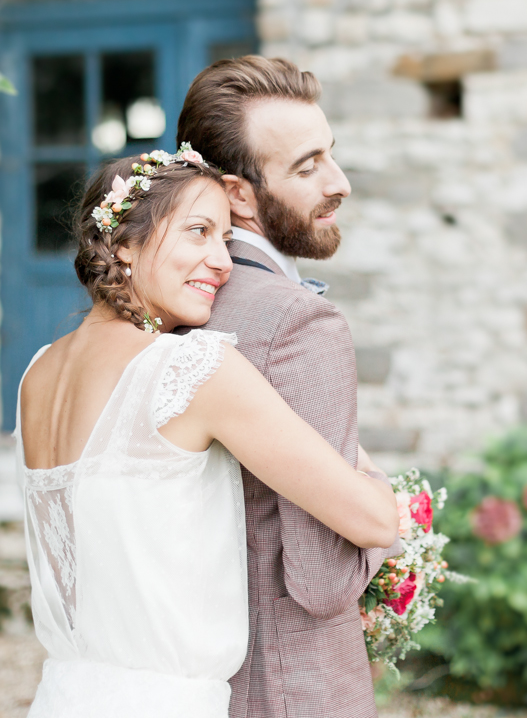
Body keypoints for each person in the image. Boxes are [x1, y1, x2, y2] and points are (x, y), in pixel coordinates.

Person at [14, 151, 399, 718]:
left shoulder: (37, 373)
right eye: (198, 232)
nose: (221, 262)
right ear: (122, 242)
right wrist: (371, 471)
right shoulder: (194, 369)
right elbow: (373, 520)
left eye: (225, 238)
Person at [175, 56, 398, 718]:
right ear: (239, 193)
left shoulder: (175, 304)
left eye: (331, 156)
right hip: (294, 683)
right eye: (307, 168)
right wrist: (391, 509)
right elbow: (323, 576)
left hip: (206, 671)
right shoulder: (299, 320)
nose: (341, 183)